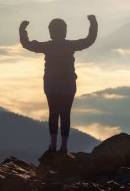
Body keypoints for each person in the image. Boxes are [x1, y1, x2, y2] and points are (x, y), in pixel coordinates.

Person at [19, 15, 98, 154]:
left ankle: (53, 145)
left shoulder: (47, 46)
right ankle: (64, 147)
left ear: (51, 31)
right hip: (68, 85)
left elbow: (27, 44)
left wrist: (22, 29)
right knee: (65, 114)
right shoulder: (70, 45)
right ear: (65, 31)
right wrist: (93, 23)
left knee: (53, 113)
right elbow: (89, 40)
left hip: (51, 85)